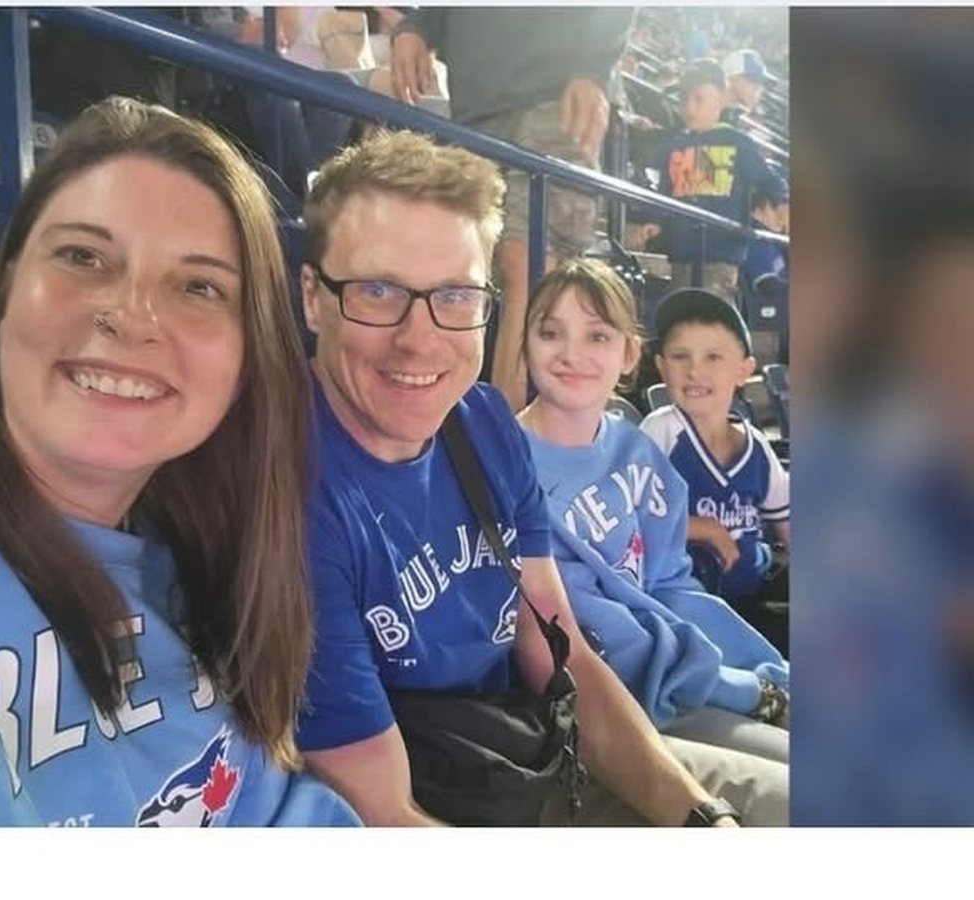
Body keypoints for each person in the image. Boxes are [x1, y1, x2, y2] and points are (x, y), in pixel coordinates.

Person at [294, 129, 787, 826]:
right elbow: (385, 815)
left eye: (456, 296)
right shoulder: (289, 492)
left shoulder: (484, 425)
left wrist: (703, 819)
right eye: (378, 291)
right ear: (312, 298)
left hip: (533, 756)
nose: (420, 339)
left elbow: (562, 657)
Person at [0, 97, 358, 828]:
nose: (131, 316)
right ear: (9, 281)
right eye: (83, 256)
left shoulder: (201, 549)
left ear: (248, 356)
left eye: (199, 287)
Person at [515, 259, 789, 766]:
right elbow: (601, 635)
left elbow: (672, 587)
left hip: (691, 677)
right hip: (617, 701)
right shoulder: (511, 466)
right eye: (550, 333)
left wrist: (772, 679)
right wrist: (750, 695)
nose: (571, 353)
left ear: (629, 355)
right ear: (525, 343)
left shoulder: (634, 450)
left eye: (598, 336)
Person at [389, 7, 637, 411]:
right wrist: (415, 27)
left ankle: (509, 435)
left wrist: (594, 68)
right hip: (473, 116)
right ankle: (466, 427)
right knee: (466, 271)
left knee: (529, 266)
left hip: (554, 99)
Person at [641, 288, 790, 652]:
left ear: (743, 372)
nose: (695, 371)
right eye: (680, 356)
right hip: (690, 612)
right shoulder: (661, 431)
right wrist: (701, 527)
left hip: (752, 591)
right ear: (661, 366)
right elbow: (630, 523)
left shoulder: (755, 443)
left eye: (713, 357)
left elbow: (787, 524)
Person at [653, 58, 788, 305]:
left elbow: (768, 179)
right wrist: (655, 221)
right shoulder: (676, 145)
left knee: (713, 312)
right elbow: (665, 191)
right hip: (681, 253)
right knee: (681, 309)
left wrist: (782, 203)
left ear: (721, 98)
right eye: (684, 99)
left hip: (720, 255)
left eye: (699, 99)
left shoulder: (738, 143)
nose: (689, 108)